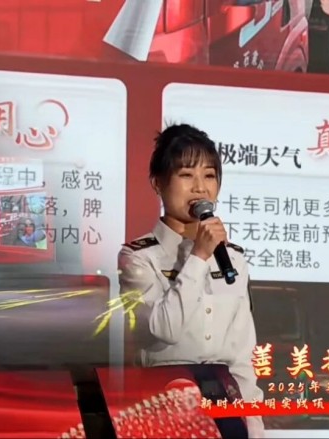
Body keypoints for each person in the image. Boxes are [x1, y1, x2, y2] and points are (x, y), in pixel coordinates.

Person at [118, 124, 264, 438]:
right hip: (164, 401)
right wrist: (198, 256)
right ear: (158, 183)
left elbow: (241, 352)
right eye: (186, 175)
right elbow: (163, 329)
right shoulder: (138, 257)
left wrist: (253, 424)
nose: (200, 187)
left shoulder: (233, 259)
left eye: (209, 175)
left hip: (225, 405)